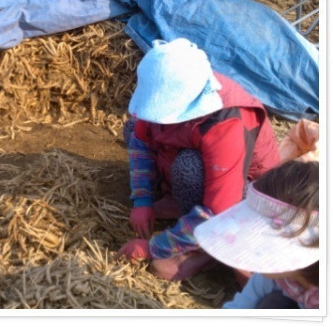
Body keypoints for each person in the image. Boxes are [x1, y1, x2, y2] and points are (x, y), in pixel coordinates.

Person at [117, 38, 280, 280]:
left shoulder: (225, 121)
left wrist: (153, 247)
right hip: (192, 153)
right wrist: (142, 200)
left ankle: (204, 248)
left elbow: (219, 210)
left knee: (189, 167)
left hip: (244, 193)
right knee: (133, 128)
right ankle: (178, 203)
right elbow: (141, 141)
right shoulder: (171, 85)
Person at [195, 160, 319, 309]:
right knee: (273, 303)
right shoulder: (278, 273)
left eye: (267, 245)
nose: (257, 250)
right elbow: (242, 304)